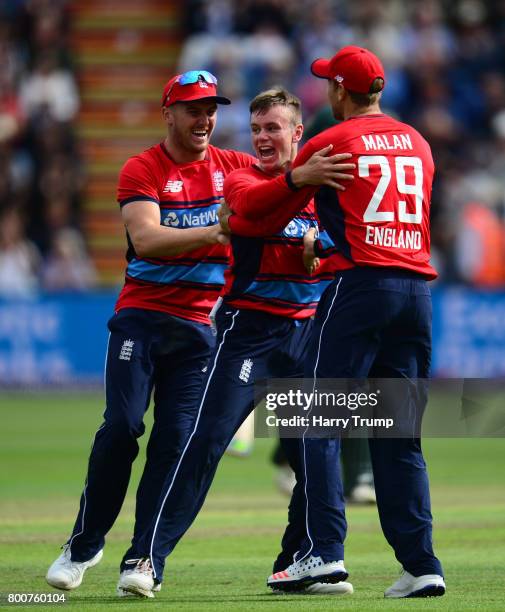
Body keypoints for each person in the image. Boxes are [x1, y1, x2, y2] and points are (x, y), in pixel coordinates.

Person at [217, 45, 446, 599]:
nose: (325, 92)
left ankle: (322, 555)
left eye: (329, 85)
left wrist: (256, 208)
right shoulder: (418, 142)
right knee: (399, 436)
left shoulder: (331, 141)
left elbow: (261, 211)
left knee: (316, 419)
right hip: (416, 292)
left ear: (341, 92)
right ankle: (421, 565)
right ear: (380, 91)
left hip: (358, 289)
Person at [115, 87, 356, 598]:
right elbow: (251, 211)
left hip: (307, 335)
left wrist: (322, 245)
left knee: (314, 452)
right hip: (248, 334)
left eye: (274, 129)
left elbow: (345, 242)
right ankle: (145, 560)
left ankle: (307, 560)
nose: (263, 138)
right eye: (256, 129)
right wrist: (299, 185)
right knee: (204, 443)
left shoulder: (323, 191)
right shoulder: (244, 178)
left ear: (297, 133)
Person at [45, 69, 256, 592]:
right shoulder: (142, 168)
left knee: (174, 443)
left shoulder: (238, 167)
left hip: (198, 331)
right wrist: (221, 229)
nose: (204, 118)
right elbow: (148, 239)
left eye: (211, 108)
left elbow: (284, 193)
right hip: (141, 319)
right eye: (192, 108)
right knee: (122, 427)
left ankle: (141, 558)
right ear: (168, 113)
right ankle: (85, 544)